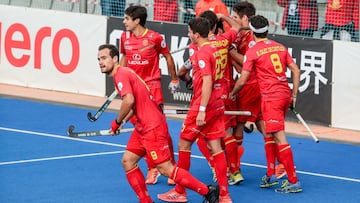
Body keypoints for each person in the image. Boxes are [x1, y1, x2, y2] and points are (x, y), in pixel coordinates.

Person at [97, 44, 220, 203]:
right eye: (99, 59)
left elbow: (129, 100)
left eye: (104, 58)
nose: (101, 62)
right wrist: (124, 121)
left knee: (165, 169)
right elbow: (137, 103)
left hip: (152, 128)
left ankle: (208, 191)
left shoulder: (121, 74)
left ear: (115, 58)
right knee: (128, 161)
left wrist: (117, 121)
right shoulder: (125, 73)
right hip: (143, 127)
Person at [157, 17, 232, 203]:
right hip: (217, 102)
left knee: (184, 144)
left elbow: (207, 80)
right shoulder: (216, 47)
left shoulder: (202, 53)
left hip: (203, 104)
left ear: (196, 35)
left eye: (190, 32)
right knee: (215, 147)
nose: (188, 34)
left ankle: (180, 191)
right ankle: (224, 195)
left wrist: (202, 109)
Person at [229, 15, 302, 193]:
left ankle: (293, 180)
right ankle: (269, 173)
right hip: (284, 95)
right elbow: (295, 70)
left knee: (279, 137)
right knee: (269, 132)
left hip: (271, 98)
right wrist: (294, 95)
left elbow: (243, 79)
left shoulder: (253, 52)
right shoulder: (279, 47)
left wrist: (233, 94)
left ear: (252, 32)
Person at [119, 5, 180, 185]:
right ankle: (152, 168)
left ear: (137, 20)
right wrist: (120, 75)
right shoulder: (124, 37)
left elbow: (168, 57)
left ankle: (170, 164)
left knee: (160, 129)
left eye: (127, 19)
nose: (124, 22)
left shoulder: (155, 38)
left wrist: (174, 79)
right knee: (141, 130)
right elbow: (124, 58)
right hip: (135, 90)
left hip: (153, 88)